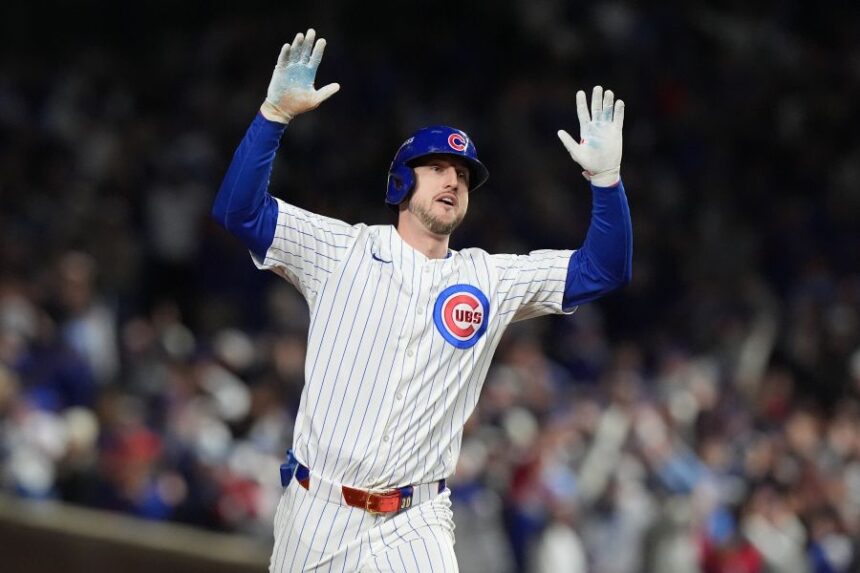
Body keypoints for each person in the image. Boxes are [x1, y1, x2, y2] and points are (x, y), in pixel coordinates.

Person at [212, 28, 632, 573]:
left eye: (462, 175)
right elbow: (238, 211)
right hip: (316, 511)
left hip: (415, 520)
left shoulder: (489, 279)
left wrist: (606, 181)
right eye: (436, 168)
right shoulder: (342, 249)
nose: (452, 180)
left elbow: (603, 269)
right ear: (399, 184)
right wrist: (272, 117)